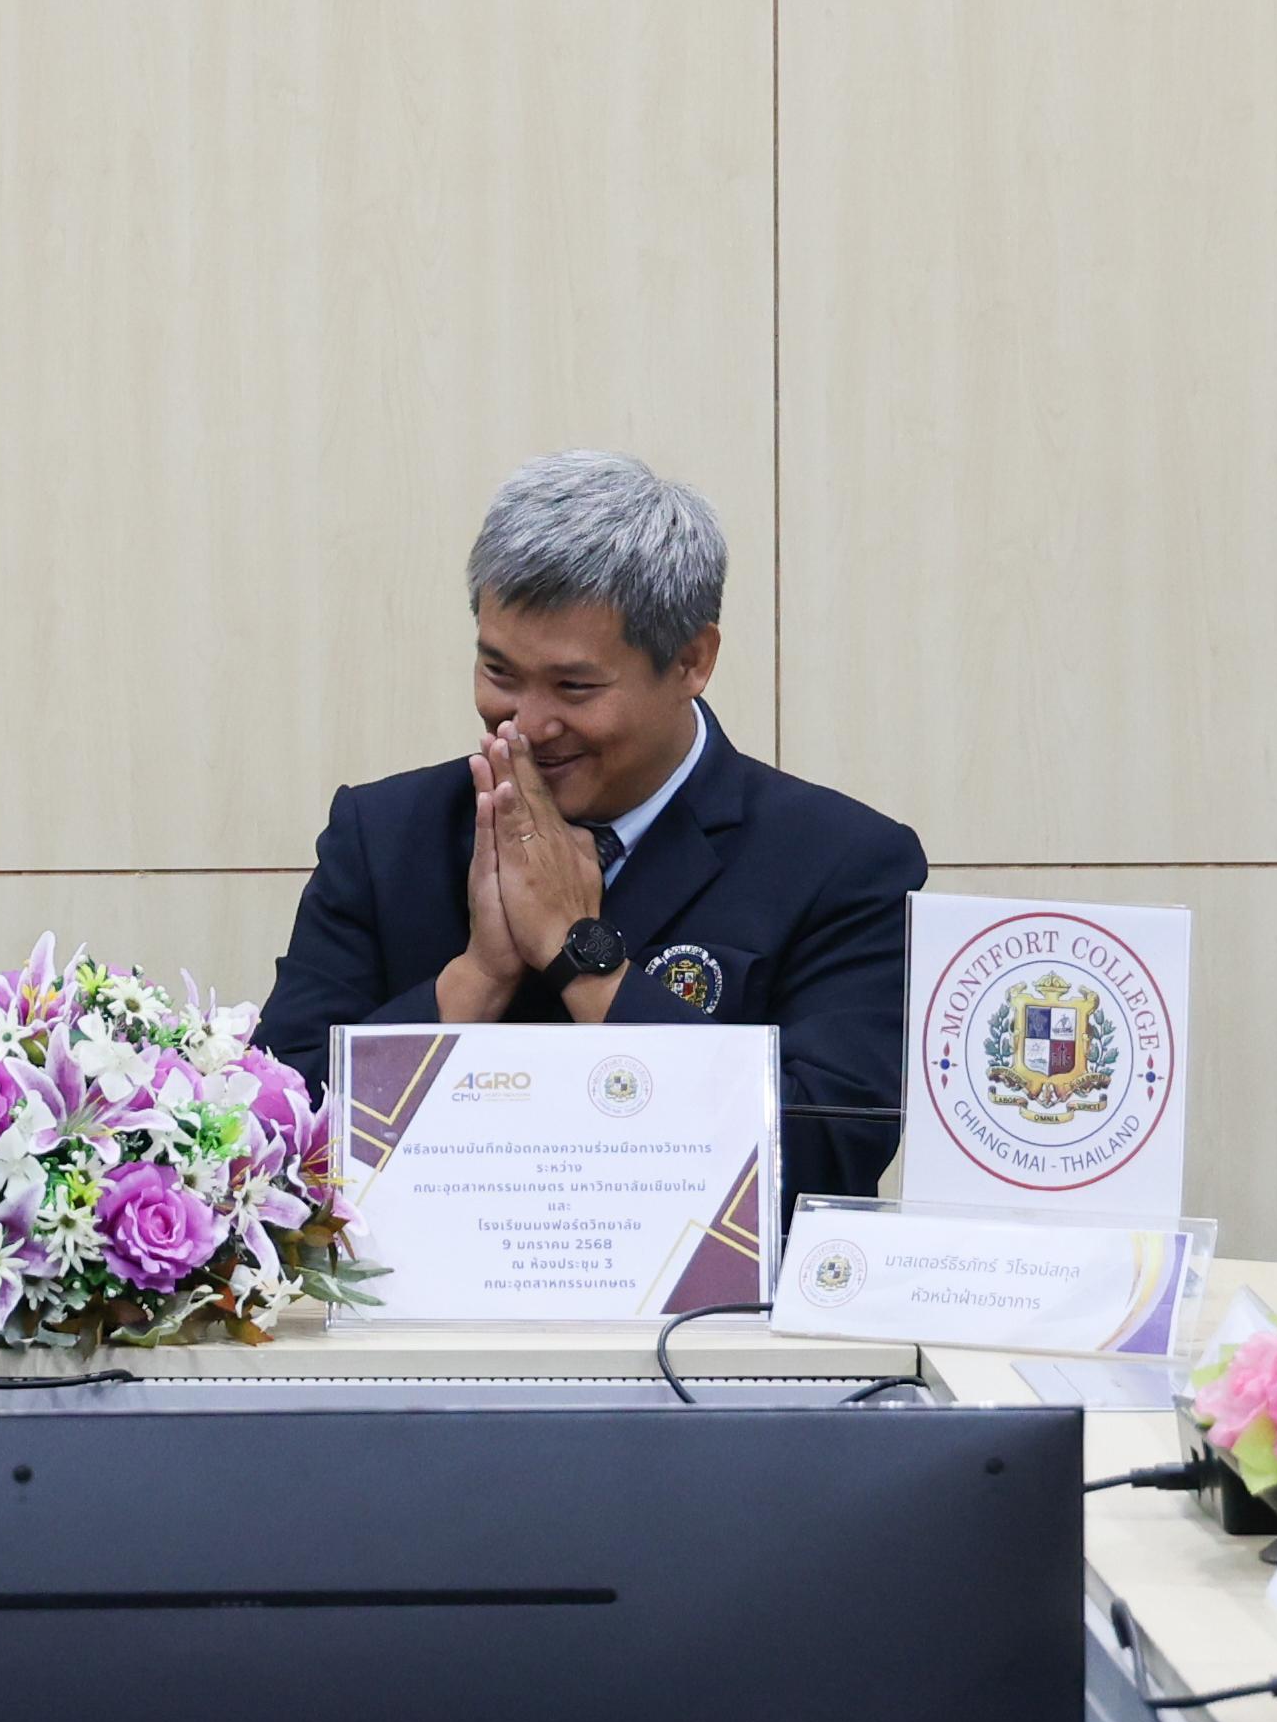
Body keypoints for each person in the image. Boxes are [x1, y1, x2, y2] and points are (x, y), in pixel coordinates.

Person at [255, 452, 927, 1197]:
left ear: (692, 661)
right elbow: (273, 1135)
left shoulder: (842, 862)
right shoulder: (383, 835)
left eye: (574, 686)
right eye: (500, 673)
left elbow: (826, 1151)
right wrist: (476, 978)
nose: (528, 724)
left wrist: (584, 958)